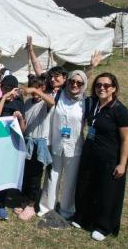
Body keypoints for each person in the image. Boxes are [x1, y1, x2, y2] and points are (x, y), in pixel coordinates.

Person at [73, 73, 128, 241]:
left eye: (106, 85)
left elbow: (126, 139)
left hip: (109, 158)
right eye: (99, 85)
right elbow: (77, 86)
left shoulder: (120, 111)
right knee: (86, 187)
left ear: (113, 88)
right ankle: (83, 217)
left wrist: (122, 163)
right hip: (90, 154)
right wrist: (91, 69)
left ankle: (103, 226)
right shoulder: (92, 104)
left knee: (106, 192)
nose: (102, 88)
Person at [39, 70, 87, 219]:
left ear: (83, 85)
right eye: (72, 81)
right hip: (56, 143)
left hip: (74, 146)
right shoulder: (59, 96)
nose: (75, 85)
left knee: (70, 180)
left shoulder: (86, 102)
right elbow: (49, 117)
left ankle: (66, 210)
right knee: (52, 176)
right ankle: (47, 208)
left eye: (79, 83)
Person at [15, 76, 55, 221]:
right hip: (27, 141)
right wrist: (20, 118)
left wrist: (37, 92)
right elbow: (24, 127)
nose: (32, 90)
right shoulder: (27, 103)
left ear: (43, 88)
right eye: (31, 86)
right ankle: (25, 200)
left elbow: (52, 102)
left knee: (35, 176)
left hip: (39, 143)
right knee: (25, 174)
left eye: (36, 87)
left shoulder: (45, 102)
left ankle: (32, 205)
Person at [0, 75, 26, 220]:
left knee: (6, 175)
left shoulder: (19, 103)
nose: (7, 90)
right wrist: (4, 97)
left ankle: (1, 203)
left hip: (11, 144)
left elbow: (23, 129)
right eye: (4, 88)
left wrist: (20, 118)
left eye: (10, 89)